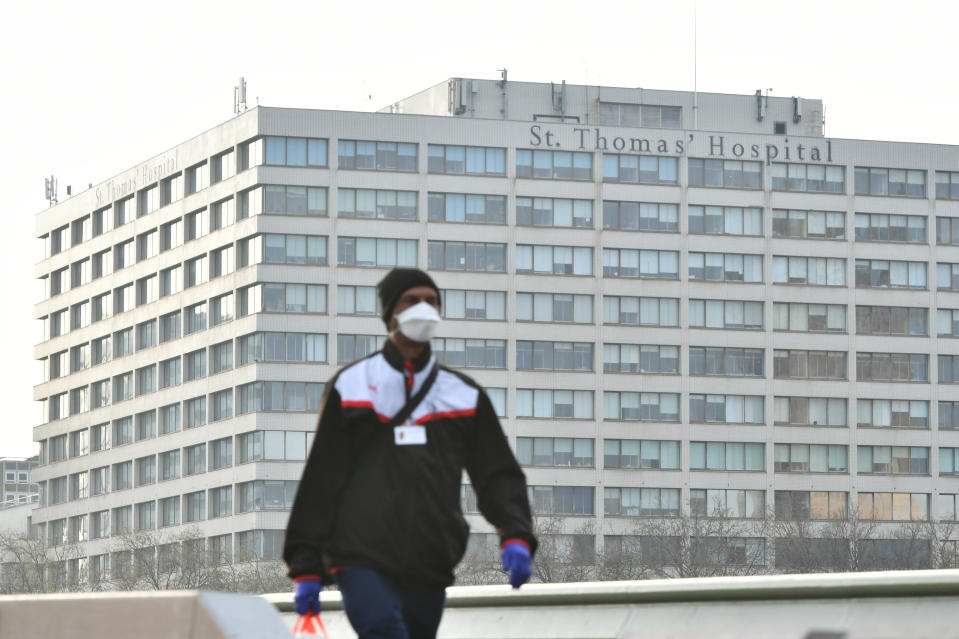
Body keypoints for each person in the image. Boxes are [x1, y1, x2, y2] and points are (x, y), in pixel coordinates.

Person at [284, 267, 536, 639]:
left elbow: (495, 472)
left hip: (429, 558)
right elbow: (322, 477)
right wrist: (305, 565)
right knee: (385, 630)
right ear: (391, 314)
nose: (424, 308)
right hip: (359, 555)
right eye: (412, 300)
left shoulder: (464, 395)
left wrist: (515, 533)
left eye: (432, 301)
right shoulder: (352, 386)